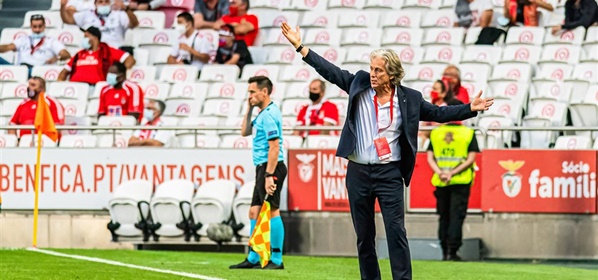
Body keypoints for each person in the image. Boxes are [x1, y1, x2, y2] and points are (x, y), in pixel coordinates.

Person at [281, 22, 494, 280]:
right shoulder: (358, 84)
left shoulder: (410, 98)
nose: (372, 74)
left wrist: (470, 107)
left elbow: (438, 114)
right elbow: (330, 71)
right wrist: (300, 47)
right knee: (364, 236)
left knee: (396, 232)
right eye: (371, 69)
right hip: (358, 172)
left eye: (378, 70)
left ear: (391, 74)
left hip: (390, 174)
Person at [229, 76, 287, 270]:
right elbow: (244, 132)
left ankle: (276, 260)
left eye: (253, 92)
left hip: (271, 167)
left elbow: (274, 146)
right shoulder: (262, 113)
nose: (250, 96)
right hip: (263, 168)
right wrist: (249, 108)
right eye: (249, 92)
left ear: (265, 92)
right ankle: (254, 257)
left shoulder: (269, 115)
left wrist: (269, 175)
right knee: (254, 211)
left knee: (272, 211)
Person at [426, 120, 479, 261]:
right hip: (461, 181)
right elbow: (471, 158)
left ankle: (444, 250)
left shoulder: (436, 132)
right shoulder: (468, 133)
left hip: (441, 181)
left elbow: (430, 157)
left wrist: (441, 173)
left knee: (444, 216)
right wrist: (453, 173)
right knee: (456, 216)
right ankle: (453, 251)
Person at [58, 26, 135, 85]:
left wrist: (118, 74)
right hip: (76, 87)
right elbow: (64, 72)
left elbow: (130, 60)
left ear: (95, 38)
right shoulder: (79, 54)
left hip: (97, 87)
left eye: (86, 37)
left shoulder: (107, 51)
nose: (84, 40)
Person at [0, 14, 71, 74]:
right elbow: (8, 47)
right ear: (31, 26)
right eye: (35, 26)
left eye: (40, 26)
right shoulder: (23, 39)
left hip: (38, 70)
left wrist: (56, 58)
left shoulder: (51, 41)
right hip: (20, 69)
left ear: (44, 26)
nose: (37, 29)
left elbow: (66, 54)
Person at [60, 0, 139, 48]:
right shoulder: (87, 14)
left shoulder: (119, 15)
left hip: (115, 51)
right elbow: (68, 20)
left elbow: (134, 24)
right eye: (100, 1)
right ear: (95, 4)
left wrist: (126, 9)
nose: (103, 4)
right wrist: (62, 6)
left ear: (110, 3)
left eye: (106, 1)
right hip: (94, 52)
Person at [8, 77, 65, 141]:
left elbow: (58, 125)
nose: (29, 88)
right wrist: (15, 142)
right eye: (29, 84)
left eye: (33, 85)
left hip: (44, 143)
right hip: (24, 143)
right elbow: (12, 124)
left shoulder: (52, 102)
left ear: (42, 88)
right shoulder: (23, 104)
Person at [419, 80, 463, 144]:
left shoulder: (446, 108)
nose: (432, 91)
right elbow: (423, 125)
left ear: (443, 93)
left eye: (435, 89)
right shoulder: (428, 106)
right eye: (432, 88)